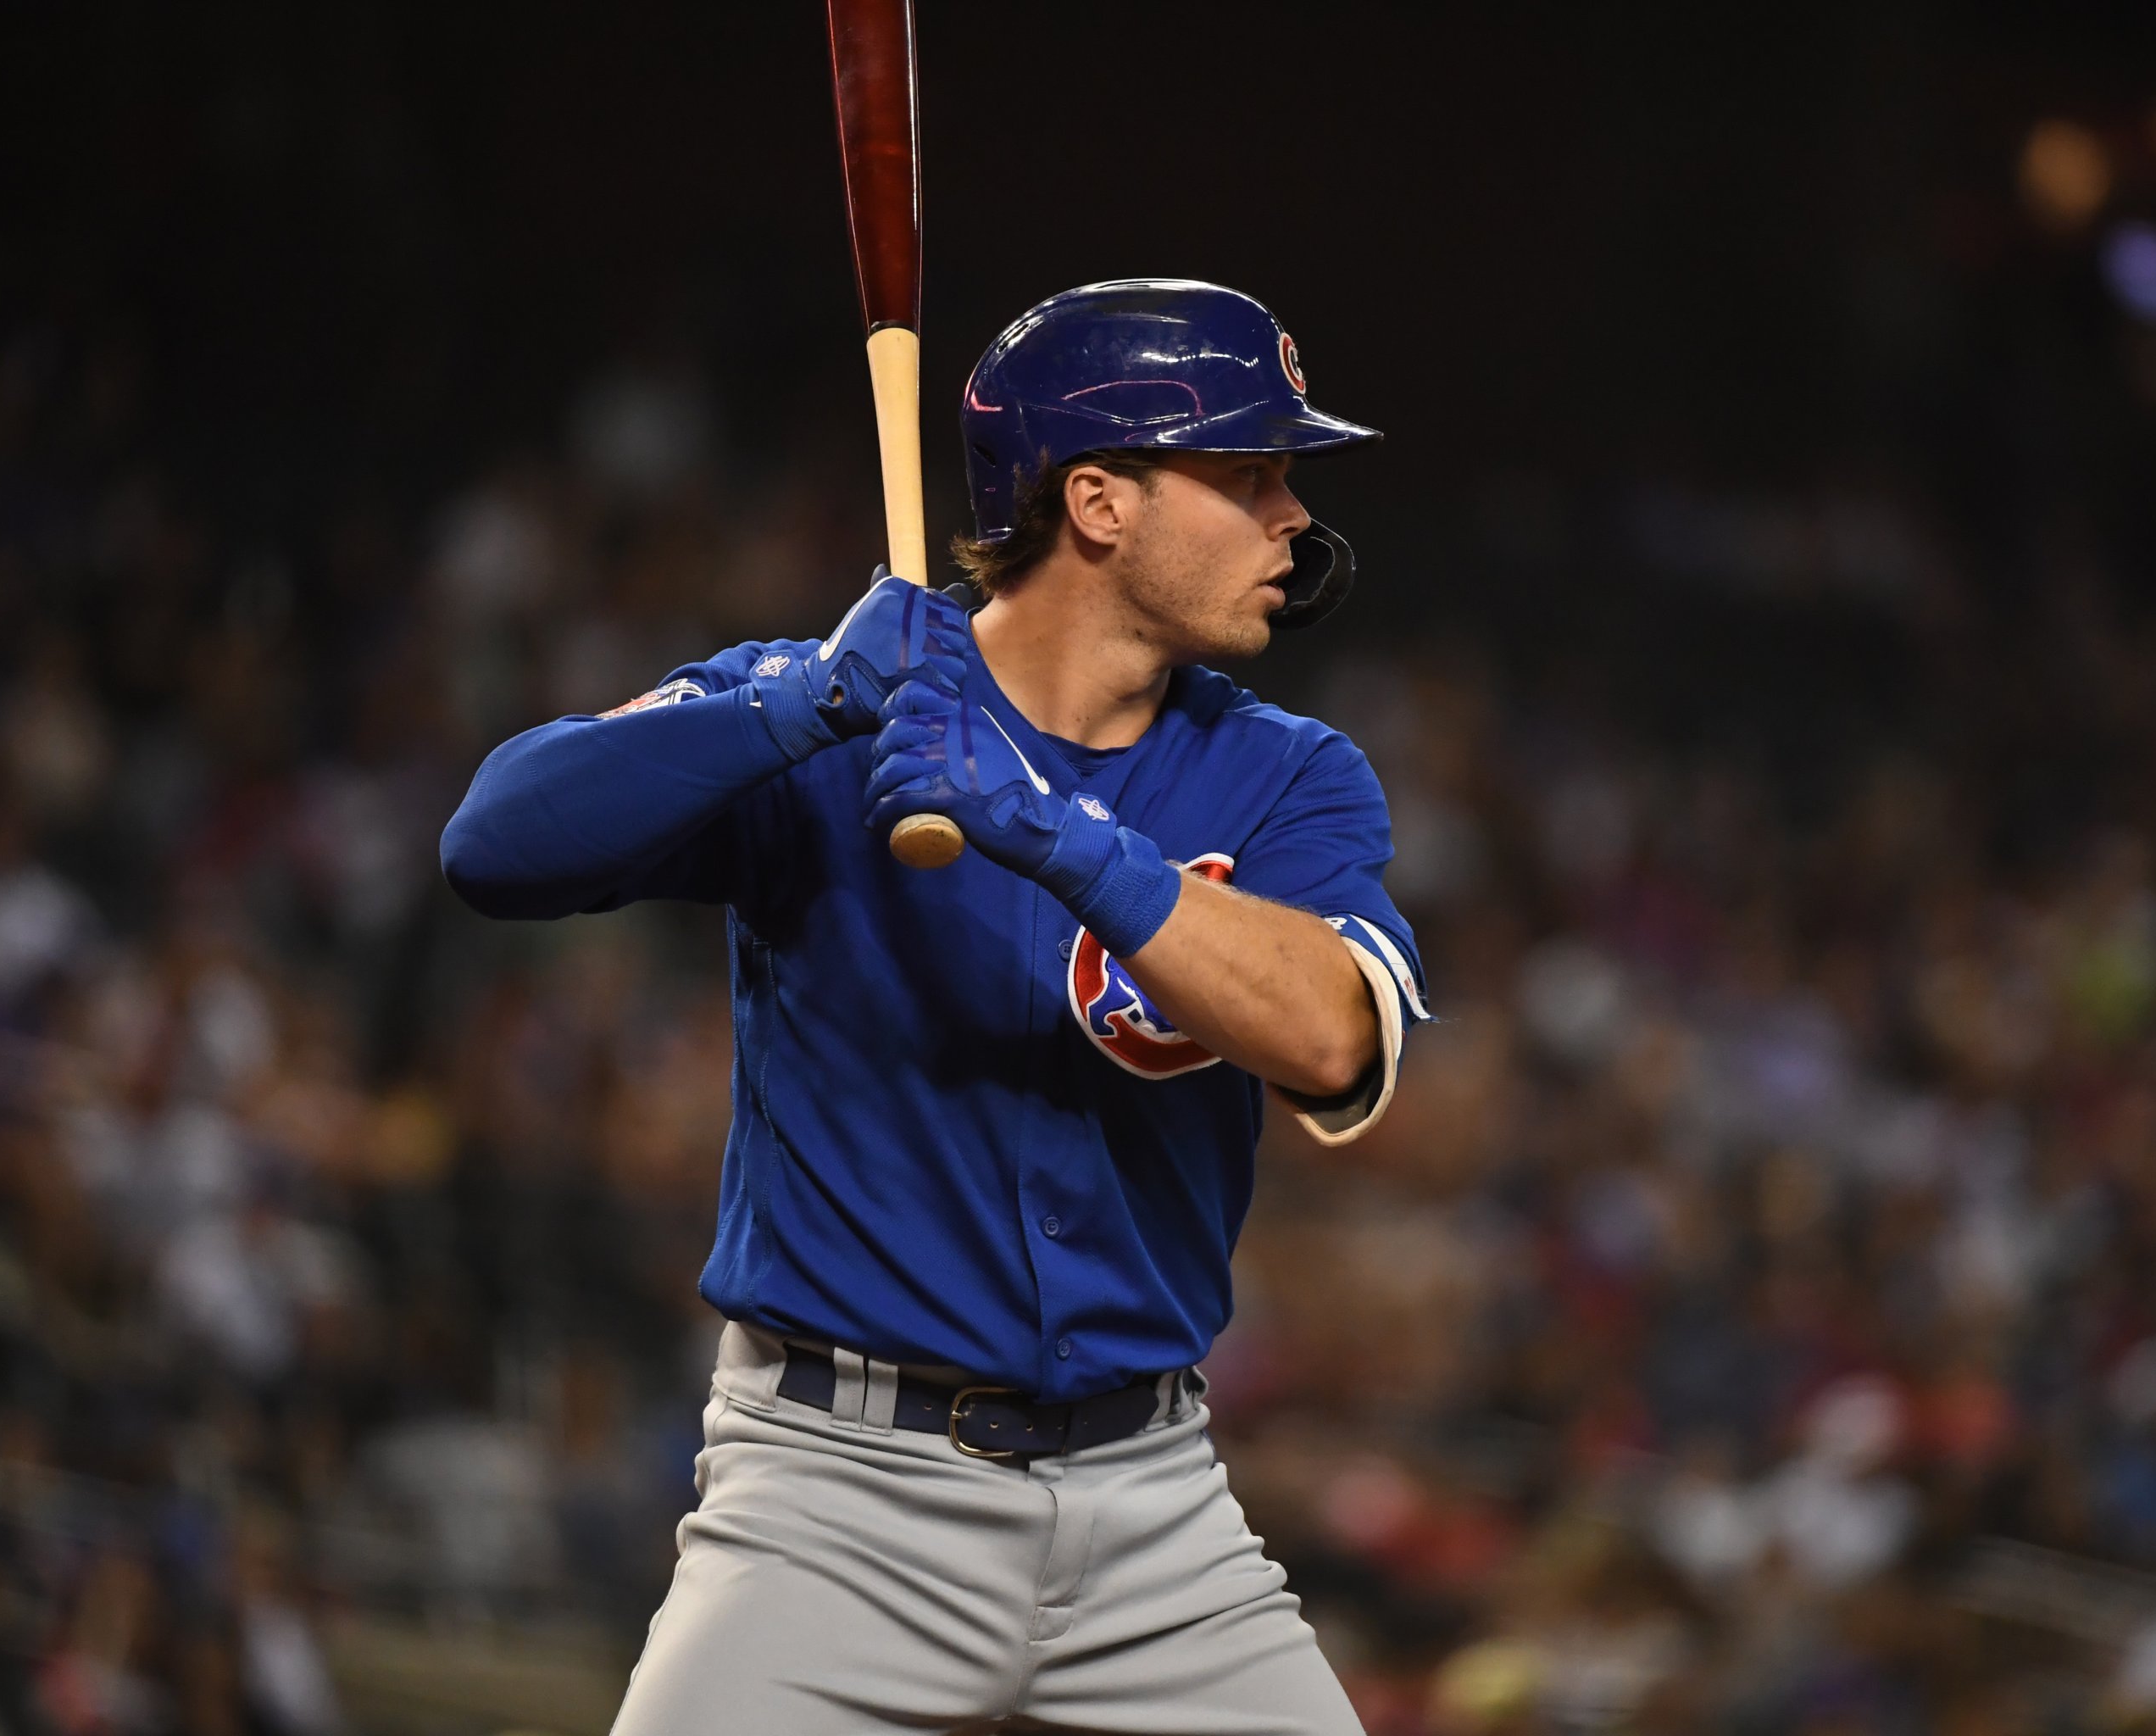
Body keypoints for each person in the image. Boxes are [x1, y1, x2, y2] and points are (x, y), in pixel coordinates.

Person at [441, 279, 1428, 1734]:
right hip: (837, 1501)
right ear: (1098, 501)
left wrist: (1052, 831)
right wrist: (799, 708)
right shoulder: (837, 709)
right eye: (1250, 473)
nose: (1295, 517)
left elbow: (1333, 1035)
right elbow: (493, 845)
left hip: (1152, 1509)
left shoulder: (1289, 774)